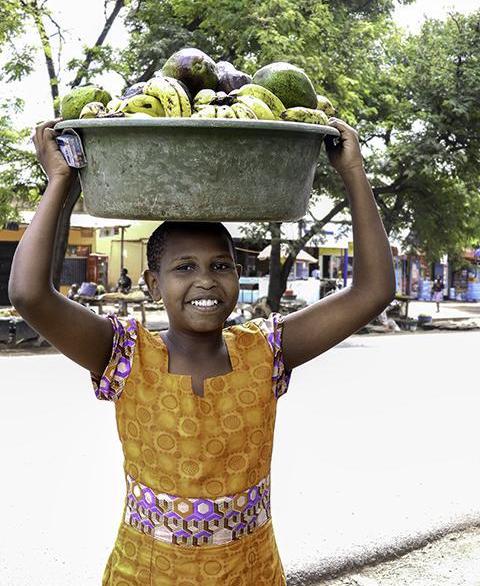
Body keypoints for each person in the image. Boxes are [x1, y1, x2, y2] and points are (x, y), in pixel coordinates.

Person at [8, 117, 395, 585]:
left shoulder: (266, 351)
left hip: (249, 574)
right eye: (184, 267)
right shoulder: (126, 355)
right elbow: (30, 295)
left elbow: (373, 291)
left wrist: (353, 172)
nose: (206, 280)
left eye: (221, 265)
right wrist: (60, 182)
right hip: (144, 574)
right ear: (152, 284)